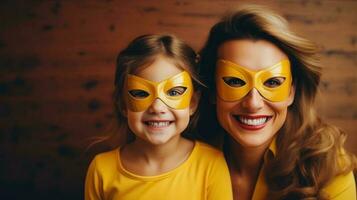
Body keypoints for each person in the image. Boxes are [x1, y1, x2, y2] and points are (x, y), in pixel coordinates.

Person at [197, 5, 356, 200]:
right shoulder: (176, 157)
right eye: (235, 81)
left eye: (272, 82)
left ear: (291, 90)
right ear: (212, 89)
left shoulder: (328, 169)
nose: (253, 103)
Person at [84, 34, 233, 200]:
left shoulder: (212, 164)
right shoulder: (102, 169)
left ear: (192, 103)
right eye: (140, 93)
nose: (157, 107)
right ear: (123, 105)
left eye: (174, 93)